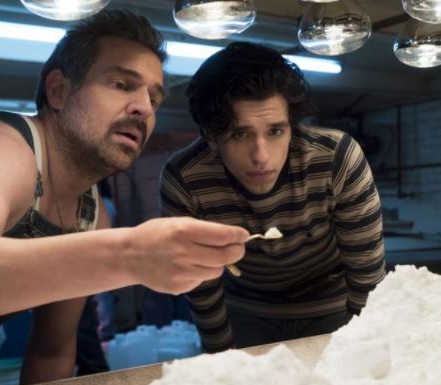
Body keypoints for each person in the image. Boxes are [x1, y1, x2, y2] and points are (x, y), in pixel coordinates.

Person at [0, 9, 248, 385]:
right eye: (122, 84)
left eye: (154, 98)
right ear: (58, 91)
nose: (144, 108)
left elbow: (51, 351)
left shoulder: (90, 216)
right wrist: (130, 255)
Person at [160, 42, 385, 353]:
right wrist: (222, 359)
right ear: (211, 135)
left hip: (330, 306)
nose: (261, 156)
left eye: (275, 131)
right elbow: (202, 286)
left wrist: (368, 348)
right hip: (246, 313)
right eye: (240, 134)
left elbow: (367, 273)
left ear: (291, 126)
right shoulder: (185, 178)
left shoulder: (336, 158)